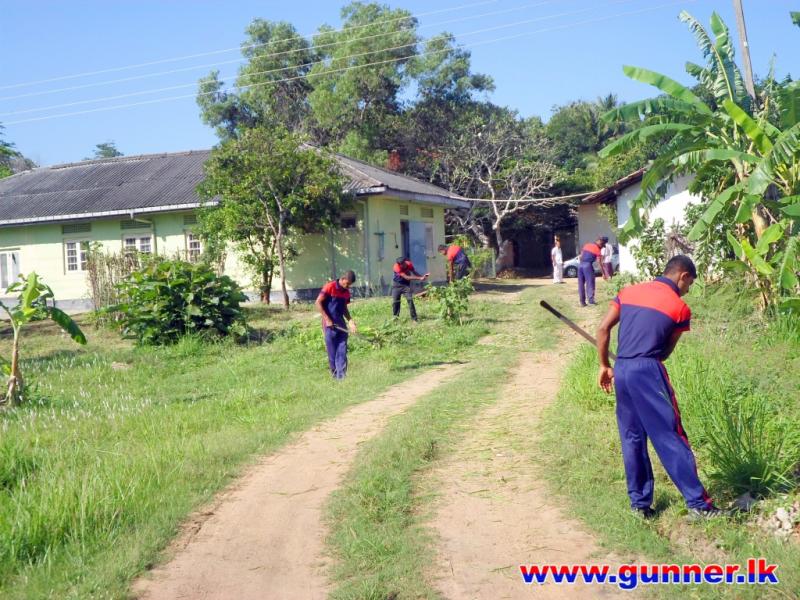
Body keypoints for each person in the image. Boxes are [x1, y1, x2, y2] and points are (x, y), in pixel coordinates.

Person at [596, 255, 722, 519]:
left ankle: (639, 505)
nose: (687, 290)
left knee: (632, 437)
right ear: (683, 275)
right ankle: (699, 505)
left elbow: (603, 328)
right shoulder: (679, 308)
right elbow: (664, 352)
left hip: (622, 369)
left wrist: (604, 365)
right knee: (669, 434)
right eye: (689, 284)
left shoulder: (628, 292)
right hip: (647, 371)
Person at [315, 270, 357, 380]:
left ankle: (341, 378)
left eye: (350, 285)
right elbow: (318, 302)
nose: (348, 286)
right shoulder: (330, 287)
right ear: (342, 279)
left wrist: (350, 321)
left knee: (342, 351)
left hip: (340, 324)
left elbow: (344, 308)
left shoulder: (346, 292)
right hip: (329, 325)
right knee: (332, 353)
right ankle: (334, 376)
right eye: (347, 283)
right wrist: (327, 319)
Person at [392, 257, 429, 321]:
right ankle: (395, 318)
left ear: (405, 262)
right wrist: (419, 278)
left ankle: (414, 319)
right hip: (396, 286)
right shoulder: (396, 267)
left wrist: (421, 277)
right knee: (396, 302)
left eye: (404, 263)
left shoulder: (409, 264)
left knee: (410, 300)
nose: (403, 265)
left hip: (406, 285)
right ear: (399, 265)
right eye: (401, 264)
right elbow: (406, 277)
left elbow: (414, 272)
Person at [577, 236, 606, 306]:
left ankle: (582, 302)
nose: (602, 247)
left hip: (580, 265)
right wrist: (603, 273)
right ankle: (591, 301)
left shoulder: (586, 245)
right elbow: (599, 263)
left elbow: (580, 256)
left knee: (581, 284)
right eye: (602, 245)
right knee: (590, 283)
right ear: (600, 242)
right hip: (587, 265)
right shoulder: (597, 249)